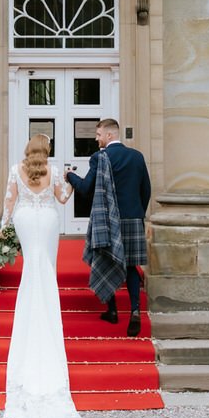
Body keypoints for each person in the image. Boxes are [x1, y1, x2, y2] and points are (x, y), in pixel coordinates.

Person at [0, 134, 90, 418]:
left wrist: (1, 228)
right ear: (46, 151)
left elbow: (10, 200)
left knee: (31, 268)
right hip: (48, 219)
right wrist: (71, 181)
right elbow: (62, 199)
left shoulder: (16, 169)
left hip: (25, 218)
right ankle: (46, 307)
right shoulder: (51, 171)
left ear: (28, 150)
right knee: (46, 266)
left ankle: (31, 304)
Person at [66, 118, 151, 337]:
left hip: (108, 219)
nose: (96, 140)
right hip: (132, 217)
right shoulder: (137, 156)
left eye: (98, 135)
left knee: (106, 259)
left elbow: (85, 188)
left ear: (110, 135)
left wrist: (70, 176)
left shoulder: (100, 157)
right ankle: (134, 311)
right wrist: (137, 213)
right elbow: (146, 190)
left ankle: (112, 311)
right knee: (131, 266)